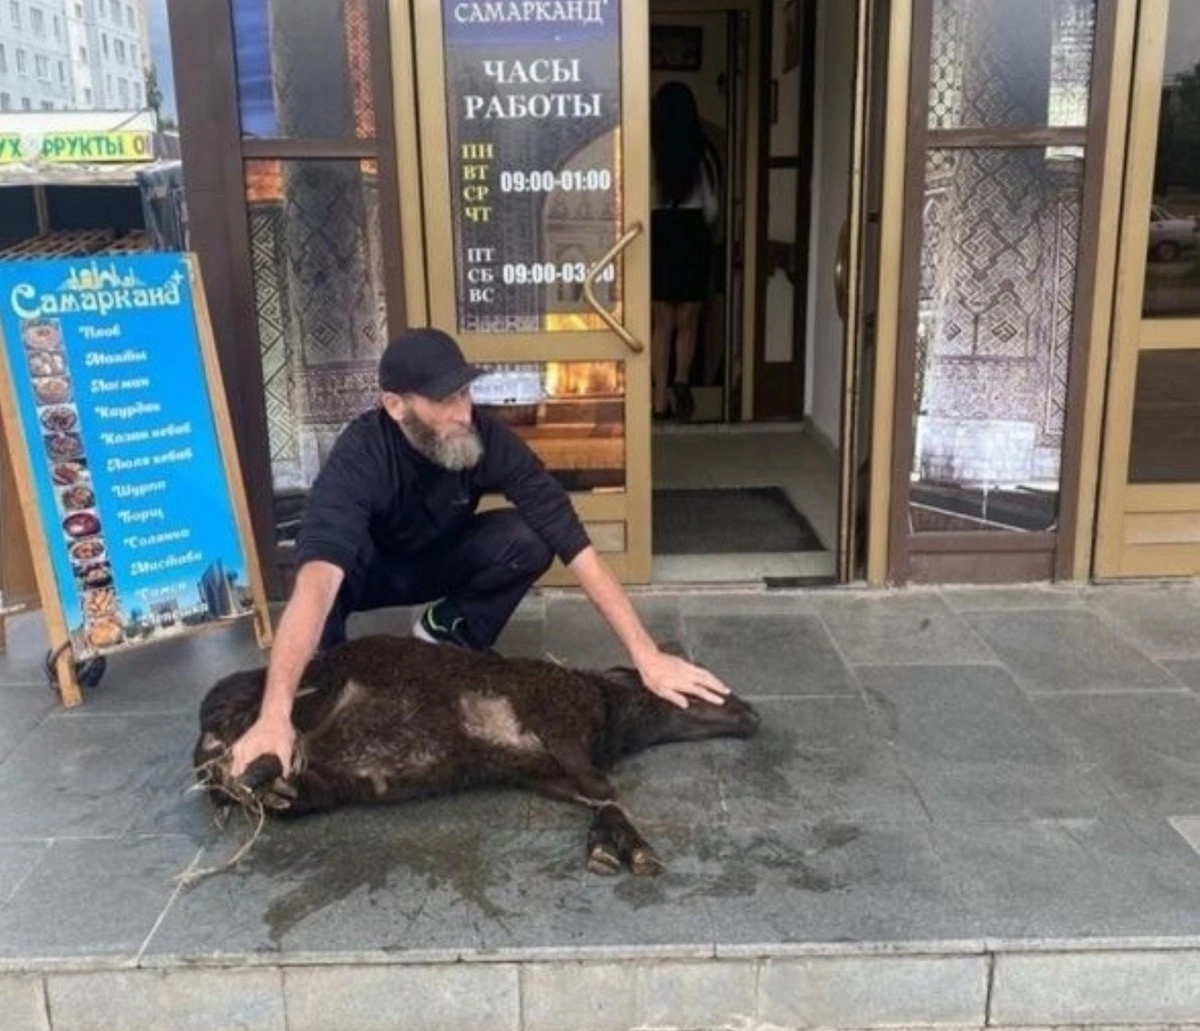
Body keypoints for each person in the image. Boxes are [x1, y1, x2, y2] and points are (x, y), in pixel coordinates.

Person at [229, 327, 730, 778]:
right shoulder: (361, 456)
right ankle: (322, 669)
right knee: (326, 676)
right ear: (395, 405)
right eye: (444, 400)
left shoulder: (485, 437)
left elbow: (574, 544)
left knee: (529, 537)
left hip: (437, 562)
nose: (463, 413)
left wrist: (647, 656)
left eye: (465, 393)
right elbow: (317, 584)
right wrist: (273, 715)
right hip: (364, 575)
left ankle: (446, 629)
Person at [650, 81, 720, 421]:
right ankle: (681, 381)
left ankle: (658, 400)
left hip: (659, 233)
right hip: (692, 235)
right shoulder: (701, 154)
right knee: (688, 321)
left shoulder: (649, 152)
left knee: (661, 324)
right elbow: (712, 210)